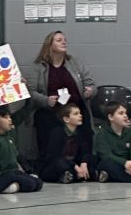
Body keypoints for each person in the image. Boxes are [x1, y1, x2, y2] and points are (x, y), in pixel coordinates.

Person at [30, 30, 95, 163]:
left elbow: (91, 85)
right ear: (49, 44)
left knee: (84, 126)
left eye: (65, 40)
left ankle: (84, 164)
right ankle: (53, 165)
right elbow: (30, 92)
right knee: (44, 121)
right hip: (52, 110)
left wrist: (90, 91)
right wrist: (46, 100)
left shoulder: (75, 63)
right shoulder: (39, 66)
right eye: (59, 40)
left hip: (75, 109)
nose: (64, 42)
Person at [0, 107, 43, 192]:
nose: (10, 120)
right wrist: (0, 177)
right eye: (6, 117)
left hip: (15, 171)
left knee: (38, 183)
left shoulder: (9, 137)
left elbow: (15, 158)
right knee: (30, 184)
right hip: (6, 173)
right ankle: (7, 186)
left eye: (9, 117)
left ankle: (14, 186)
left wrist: (22, 171)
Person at [39, 102, 93, 183]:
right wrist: (75, 166)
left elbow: (85, 151)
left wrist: (84, 163)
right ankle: (74, 176)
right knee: (60, 164)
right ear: (66, 119)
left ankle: (72, 176)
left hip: (73, 164)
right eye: (76, 114)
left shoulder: (80, 133)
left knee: (91, 163)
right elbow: (55, 156)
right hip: (57, 165)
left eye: (80, 113)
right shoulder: (57, 133)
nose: (80, 115)